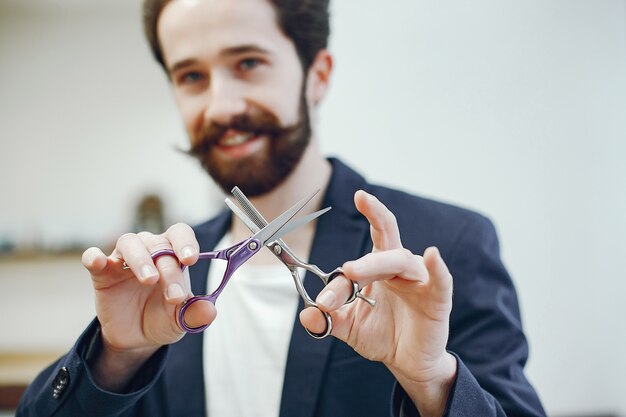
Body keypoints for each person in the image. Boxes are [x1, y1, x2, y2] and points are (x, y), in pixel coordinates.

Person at [17, 0, 546, 416]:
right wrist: (117, 355)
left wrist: (433, 383)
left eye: (248, 62)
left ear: (318, 73)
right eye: (191, 76)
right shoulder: (163, 278)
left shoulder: (444, 248)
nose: (220, 105)